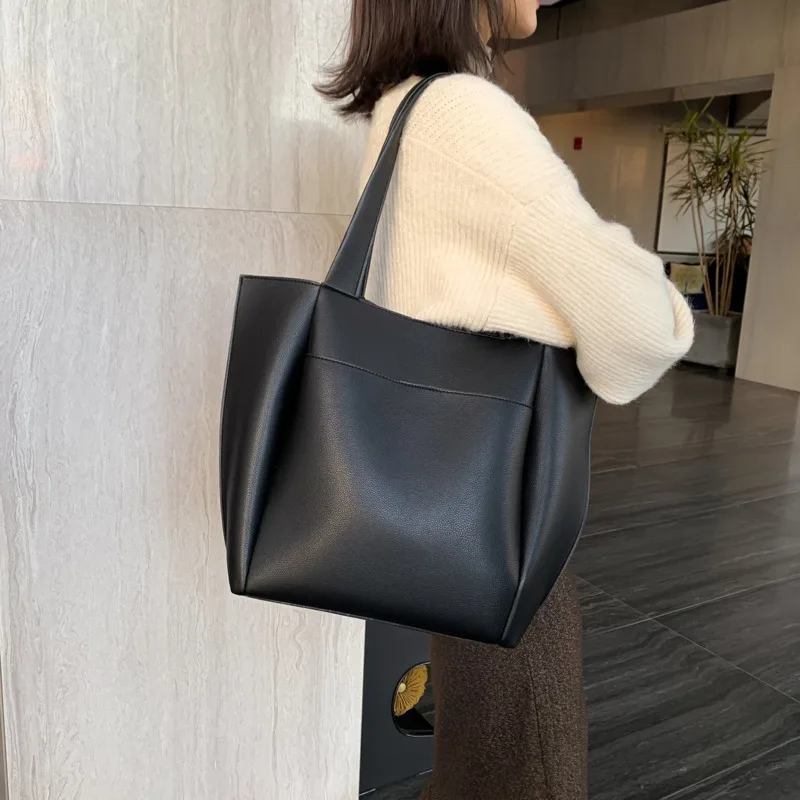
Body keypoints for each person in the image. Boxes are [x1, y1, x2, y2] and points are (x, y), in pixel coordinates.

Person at [320, 1, 695, 797]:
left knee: (476, 762)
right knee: (526, 772)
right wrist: (644, 285)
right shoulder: (465, 113)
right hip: (502, 529)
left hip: (449, 518)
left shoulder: (405, 107)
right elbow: (639, 327)